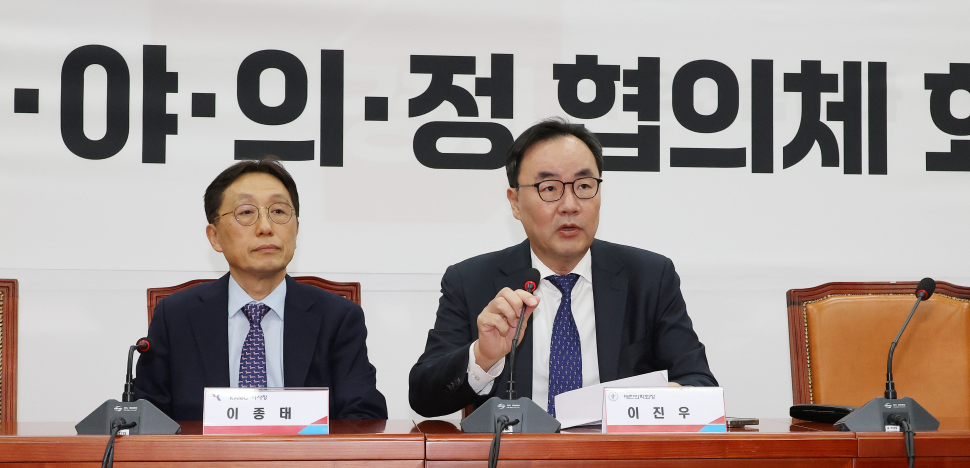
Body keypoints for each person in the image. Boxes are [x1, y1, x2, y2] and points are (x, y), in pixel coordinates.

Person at [408, 118, 716, 418]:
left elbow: (700, 386)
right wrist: (483, 357)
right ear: (515, 202)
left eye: (584, 185)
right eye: (550, 188)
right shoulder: (472, 281)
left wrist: (646, 403)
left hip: (616, 465)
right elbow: (423, 397)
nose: (570, 204)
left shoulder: (649, 277)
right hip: (513, 465)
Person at [135, 156, 388, 421]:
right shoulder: (176, 317)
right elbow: (144, 420)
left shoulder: (338, 318)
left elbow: (364, 418)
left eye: (278, 212)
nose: (266, 227)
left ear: (297, 229)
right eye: (246, 212)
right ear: (215, 237)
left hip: (305, 462)